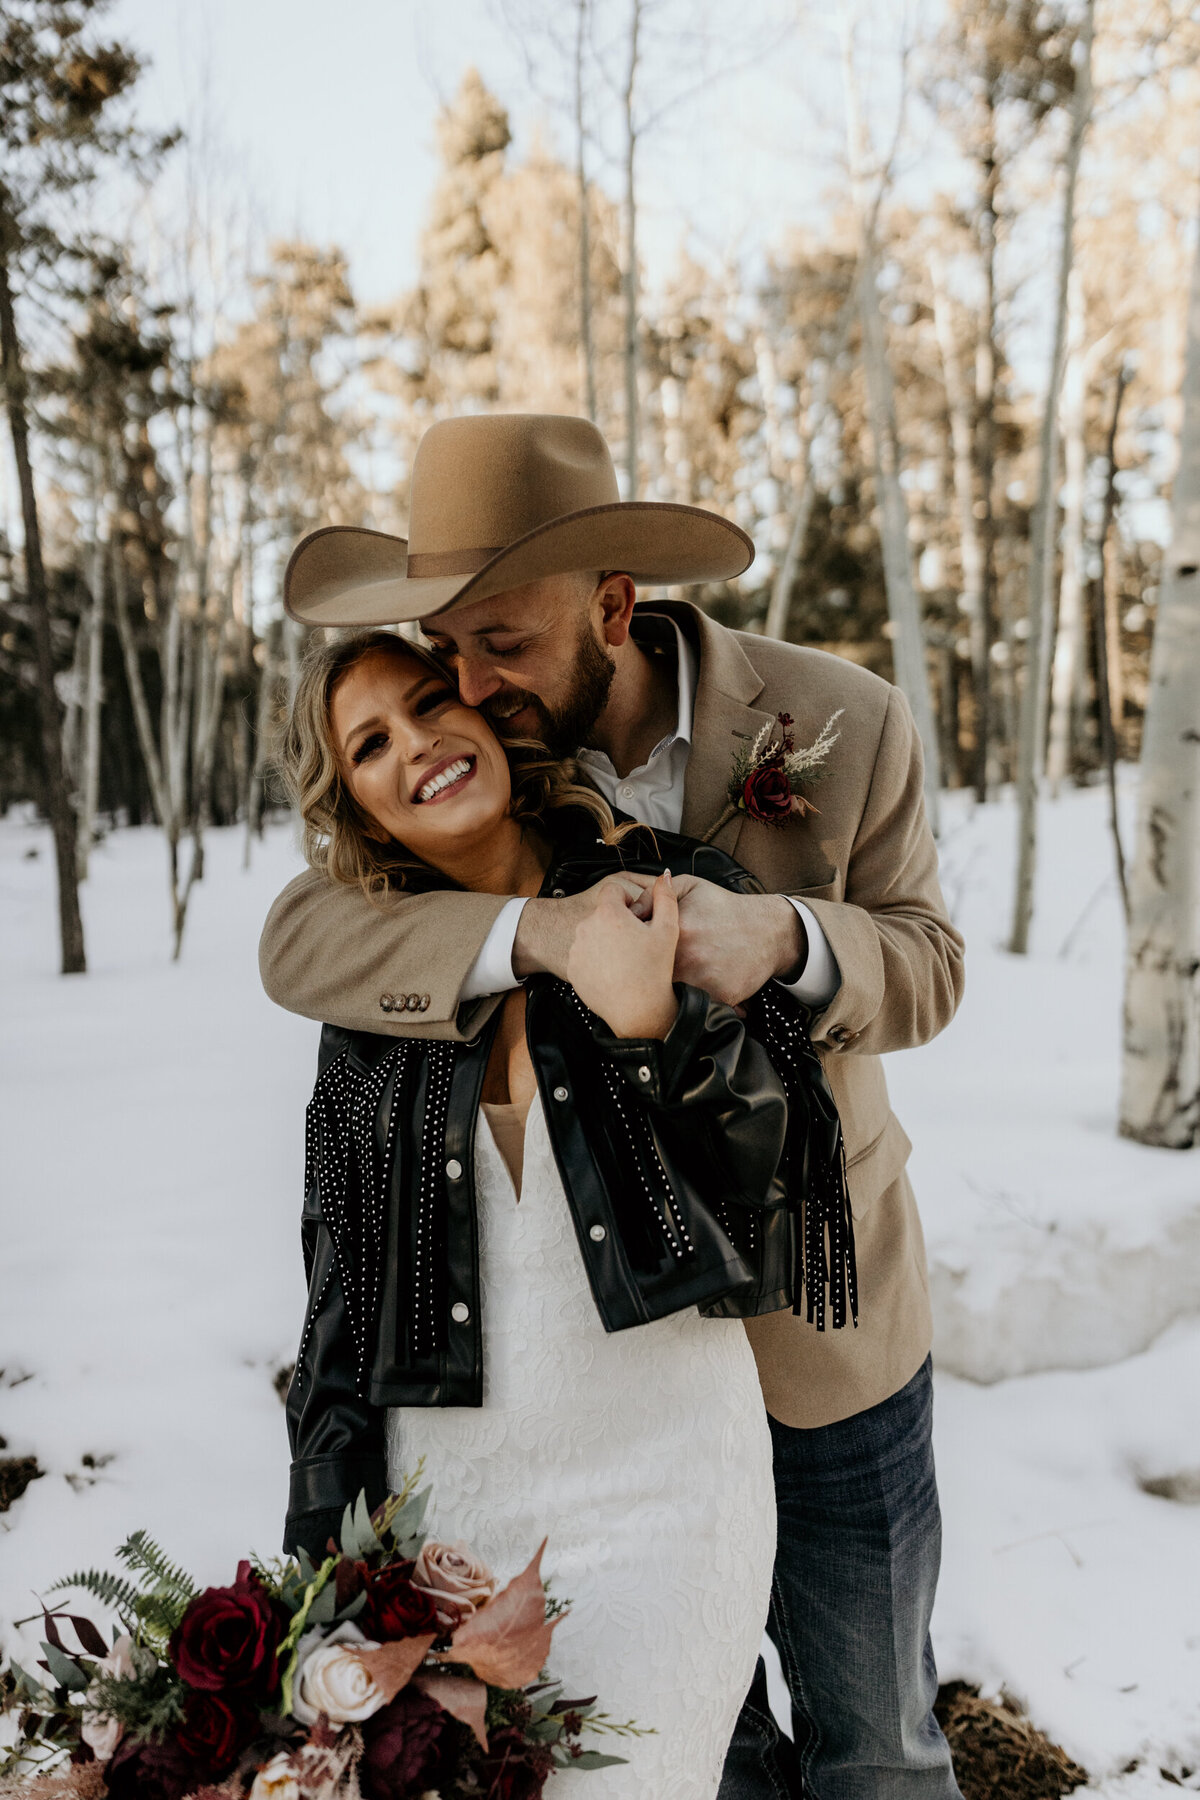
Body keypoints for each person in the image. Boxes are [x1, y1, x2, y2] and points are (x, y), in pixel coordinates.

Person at [262, 412, 967, 1799]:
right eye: (445, 650)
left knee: (874, 1737)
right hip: (626, 1358)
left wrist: (794, 943)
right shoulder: (501, 761)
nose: (467, 684)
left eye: (500, 647)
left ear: (615, 606)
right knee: (708, 1747)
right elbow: (307, 935)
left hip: (825, 1327)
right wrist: (542, 935)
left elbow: (930, 964)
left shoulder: (847, 723)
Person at [275, 627, 855, 1800]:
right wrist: (314, 1570)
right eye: (371, 746)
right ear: (363, 813)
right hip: (452, 1513)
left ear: (491, 716)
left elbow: (763, 1231)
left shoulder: (664, 890)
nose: (418, 745)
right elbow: (339, 1306)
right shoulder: (372, 1006)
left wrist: (651, 1041)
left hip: (669, 1488)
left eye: (432, 701)